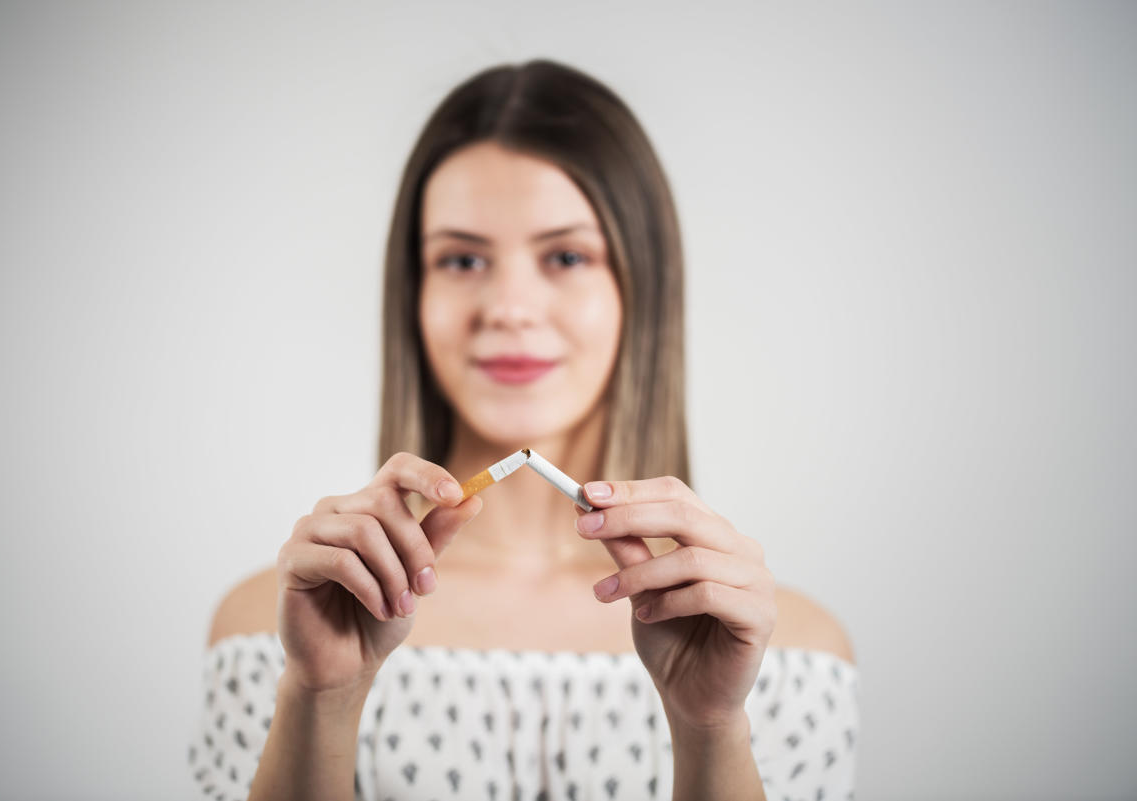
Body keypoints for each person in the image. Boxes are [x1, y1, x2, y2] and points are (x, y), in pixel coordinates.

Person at [188, 59, 858, 801]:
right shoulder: (279, 631)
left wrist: (709, 730)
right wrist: (322, 699)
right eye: (462, 258)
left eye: (566, 255)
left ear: (642, 289)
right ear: (414, 294)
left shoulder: (781, 647)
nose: (508, 306)